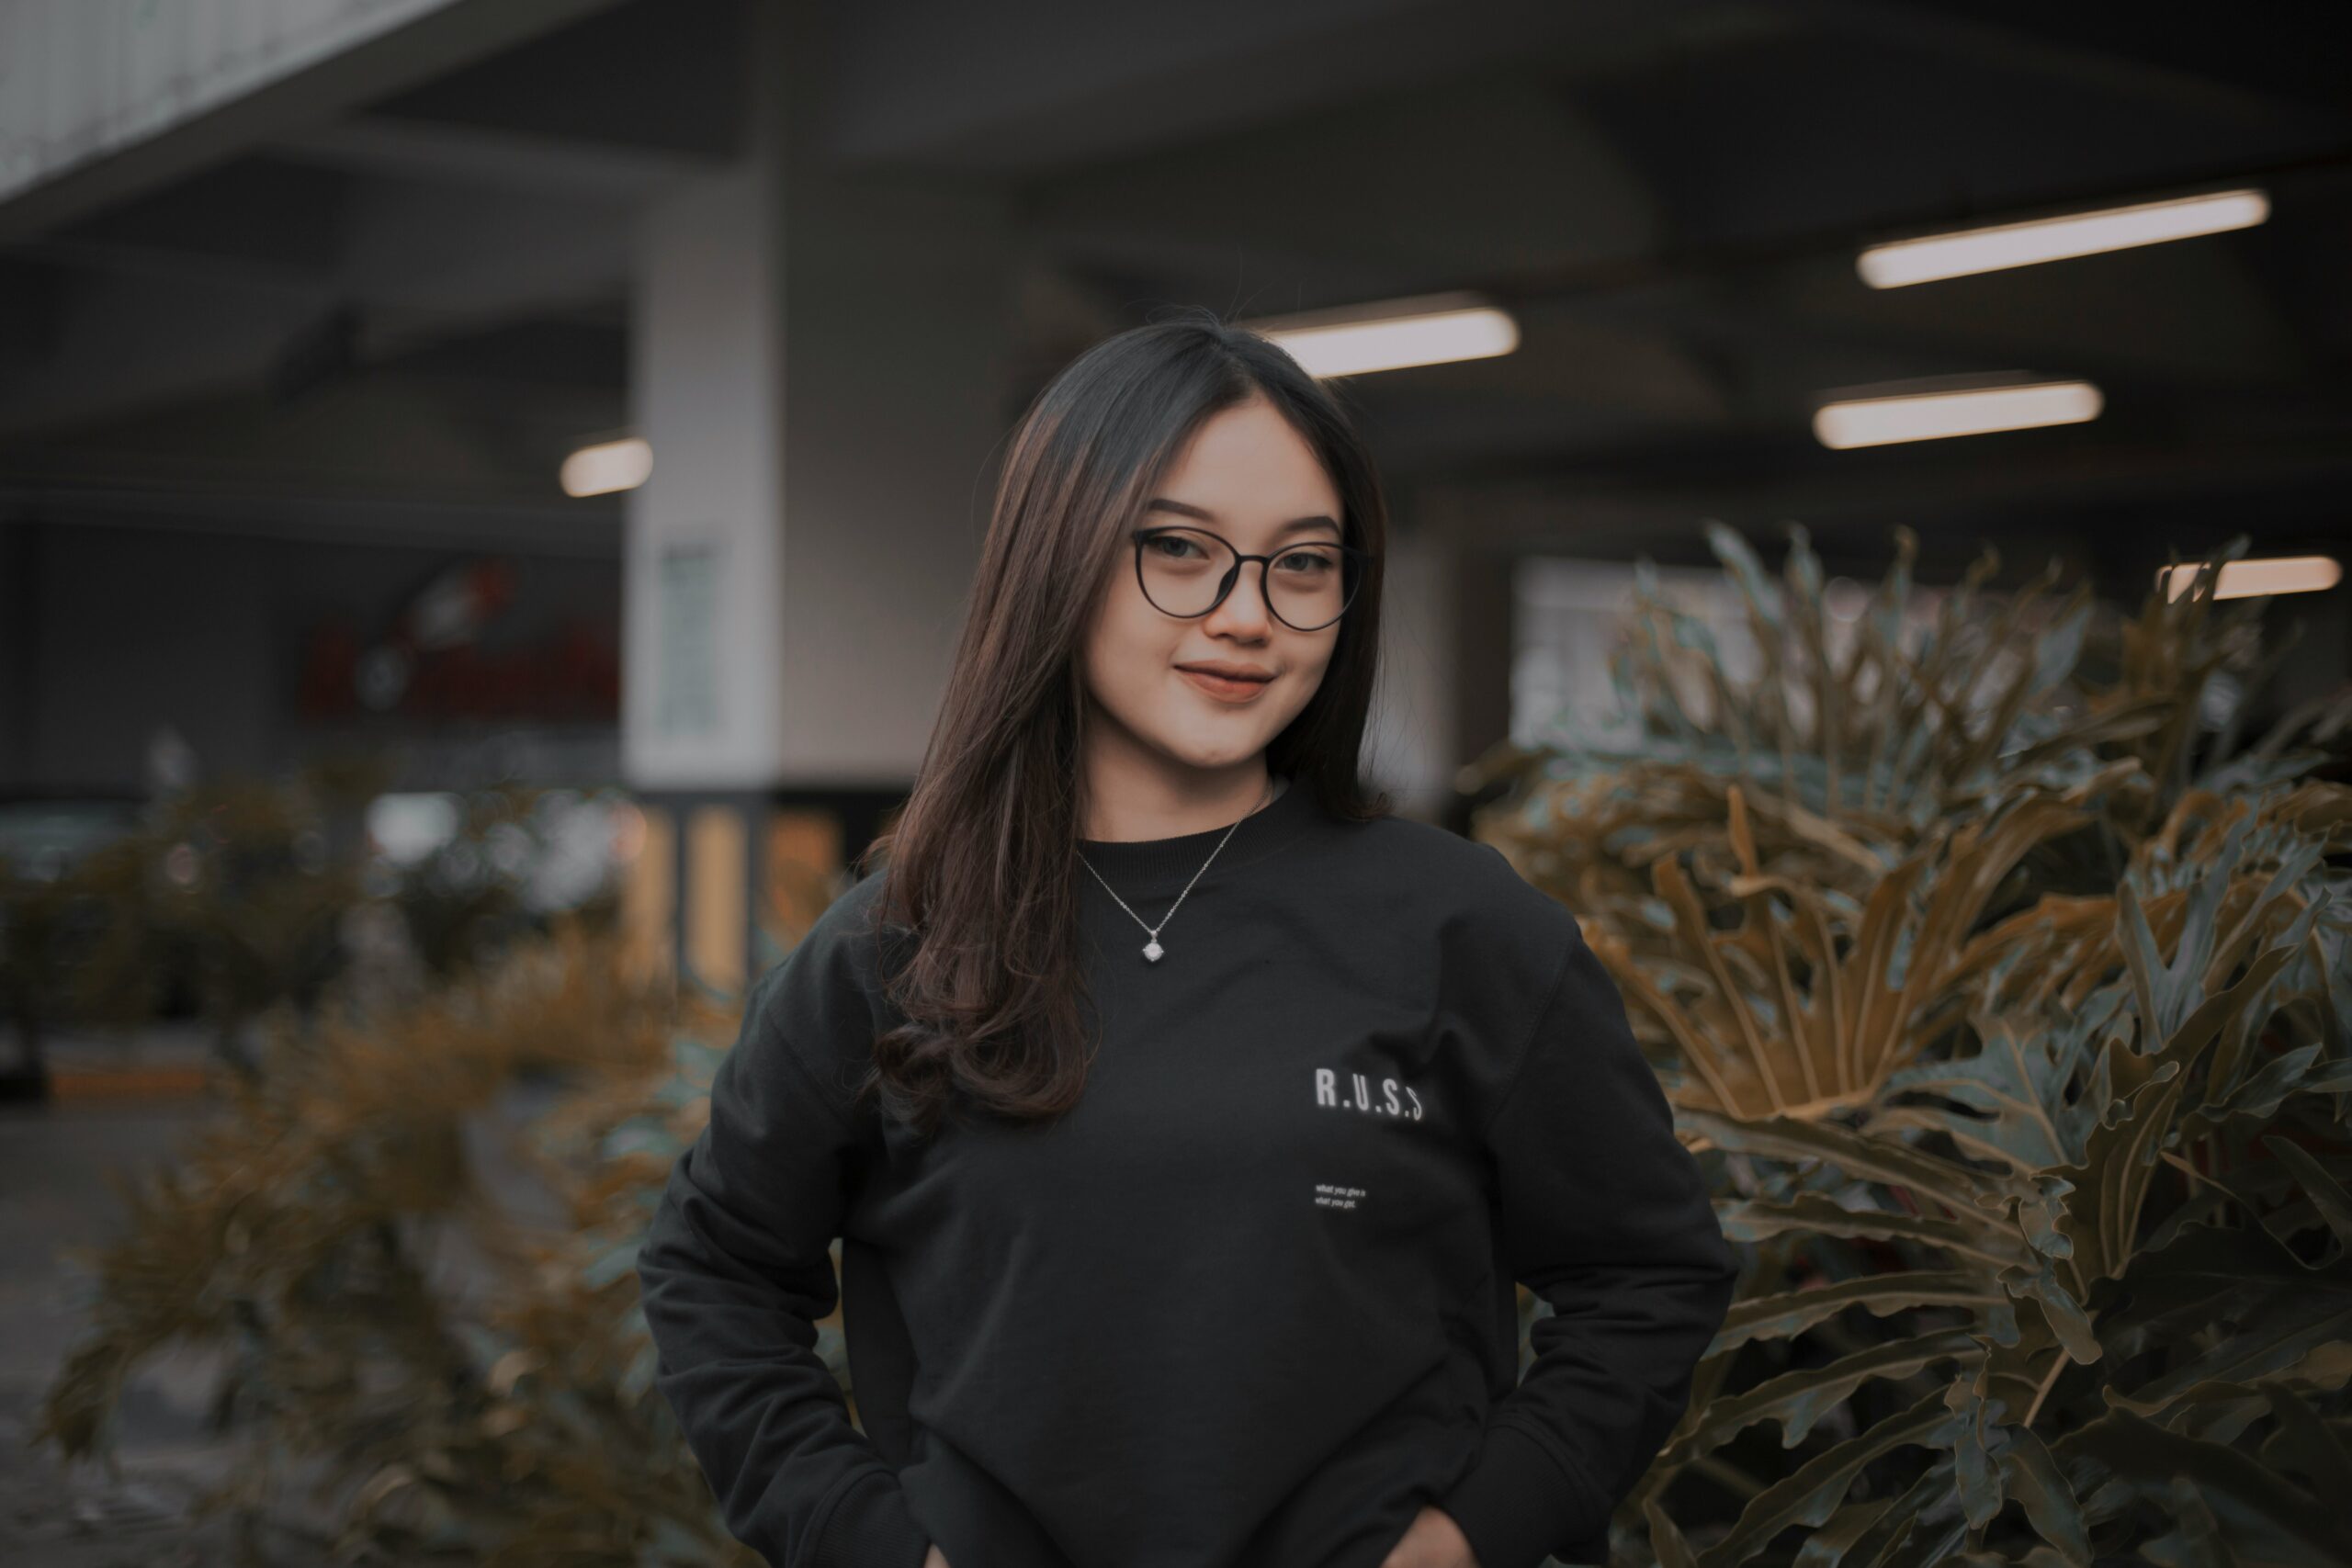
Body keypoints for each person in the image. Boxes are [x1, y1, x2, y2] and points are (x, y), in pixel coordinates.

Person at [633, 307, 1739, 1568]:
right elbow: (712, 1268)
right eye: (1179, 549)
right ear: (1062, 558)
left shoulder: (1464, 928)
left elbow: (1652, 1271)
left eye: (1303, 563)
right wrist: (867, 1543)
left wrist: (1476, 1531)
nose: (1245, 613)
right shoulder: (901, 944)